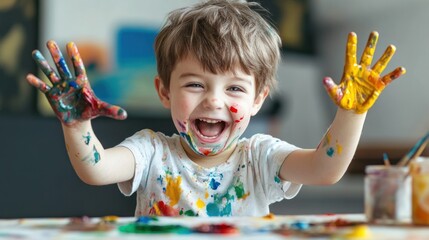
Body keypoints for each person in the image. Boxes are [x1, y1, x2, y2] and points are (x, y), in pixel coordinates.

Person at [26, 0, 406, 217]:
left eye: (235, 88)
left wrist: (352, 113)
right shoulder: (151, 151)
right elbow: (96, 169)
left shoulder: (260, 157)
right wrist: (77, 125)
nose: (213, 100)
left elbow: (325, 169)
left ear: (258, 99)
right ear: (164, 91)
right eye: (194, 84)